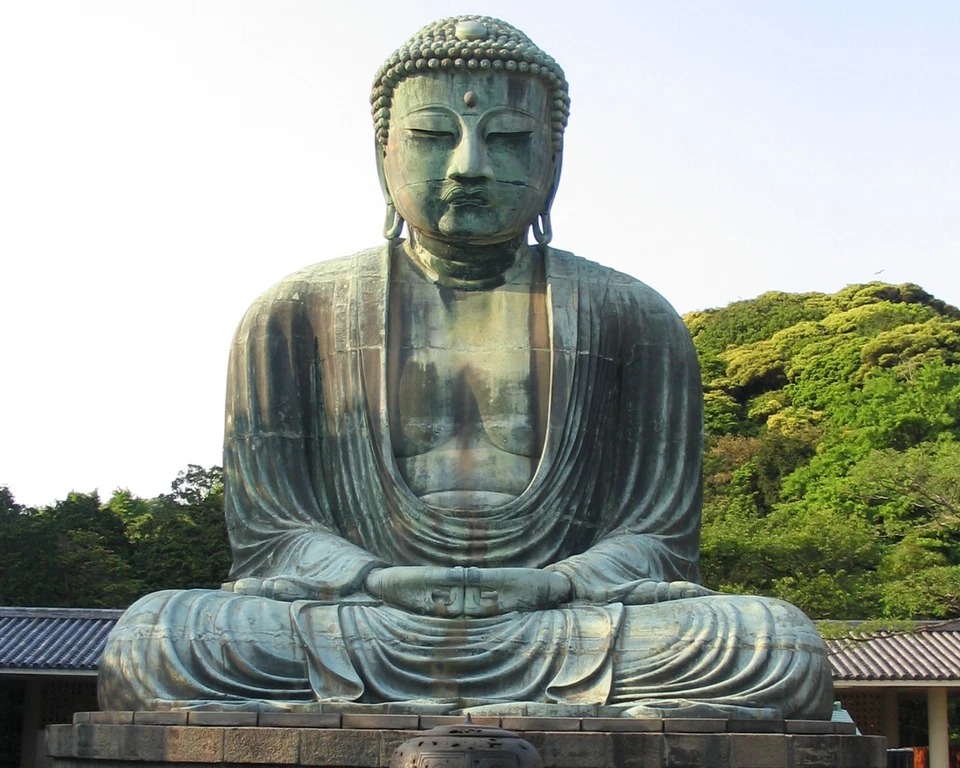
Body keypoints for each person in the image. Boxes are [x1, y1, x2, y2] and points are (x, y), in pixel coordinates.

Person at [98, 16, 833, 719]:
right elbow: (274, 531)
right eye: (431, 135)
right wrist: (372, 577)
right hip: (362, 617)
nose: (469, 166)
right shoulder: (294, 314)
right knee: (159, 640)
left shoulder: (633, 317)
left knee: (774, 644)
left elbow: (658, 540)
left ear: (554, 157)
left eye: (510, 139)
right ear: (382, 149)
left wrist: (558, 582)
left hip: (567, 620)